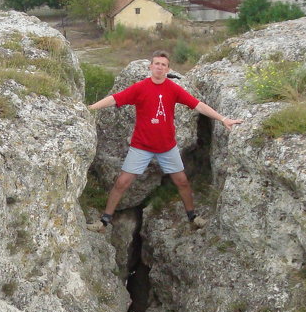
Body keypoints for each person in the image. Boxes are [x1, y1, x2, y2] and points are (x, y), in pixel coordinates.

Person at [88, 50, 241, 231]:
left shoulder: (173, 88)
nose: (159, 67)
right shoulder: (140, 87)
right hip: (141, 146)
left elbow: (197, 104)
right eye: (157, 64)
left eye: (163, 65)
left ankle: (193, 217)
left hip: (167, 147)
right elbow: (115, 99)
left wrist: (223, 119)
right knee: (122, 183)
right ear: (150, 67)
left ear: (168, 69)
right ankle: (104, 221)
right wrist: (90, 108)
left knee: (182, 181)